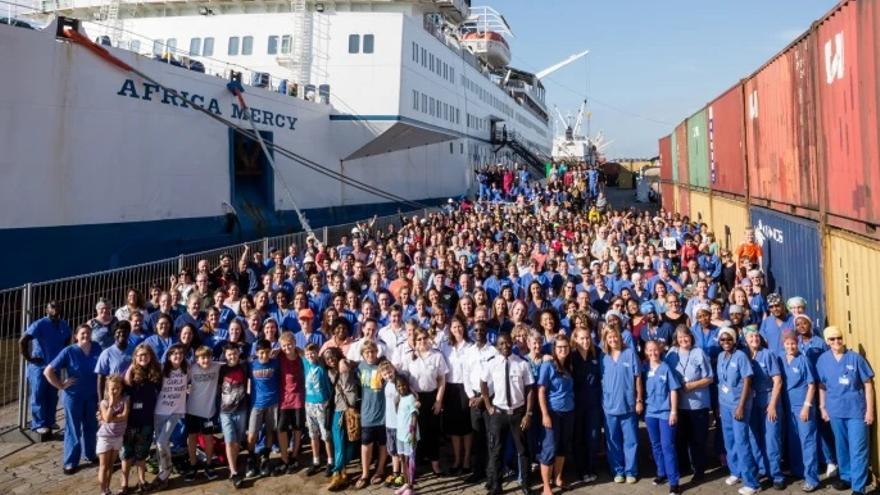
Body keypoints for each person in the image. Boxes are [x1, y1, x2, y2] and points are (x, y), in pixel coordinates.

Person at [816, 326, 875, 495]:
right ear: (827, 341)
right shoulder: (822, 360)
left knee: (858, 448)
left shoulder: (855, 358)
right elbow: (821, 385)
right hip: (835, 411)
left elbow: (868, 384)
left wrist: (869, 410)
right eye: (832, 339)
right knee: (841, 447)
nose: (836, 341)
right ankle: (847, 477)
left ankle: (859, 487)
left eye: (839, 338)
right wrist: (822, 407)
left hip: (856, 411)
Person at [480, 332, 535, 495]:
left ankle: (525, 484)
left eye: (508, 343)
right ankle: (497, 485)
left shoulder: (522, 363)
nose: (505, 346)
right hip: (499, 413)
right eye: (501, 344)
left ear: (512, 343)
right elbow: (483, 383)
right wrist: (488, 405)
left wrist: (528, 413)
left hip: (518, 414)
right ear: (497, 347)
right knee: (496, 450)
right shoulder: (491, 363)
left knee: (523, 451)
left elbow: (530, 389)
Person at [44, 324, 100, 474]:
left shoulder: (96, 347)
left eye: (88, 333)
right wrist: (61, 385)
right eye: (82, 333)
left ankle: (90, 454)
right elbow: (48, 371)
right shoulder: (69, 351)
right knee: (73, 429)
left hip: (92, 396)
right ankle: (70, 461)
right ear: (76, 336)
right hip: (73, 397)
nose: (85, 336)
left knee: (91, 426)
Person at [664, 325, 713, 481]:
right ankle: (684, 467)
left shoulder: (699, 352)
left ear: (691, 337)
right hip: (679, 405)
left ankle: (699, 470)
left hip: (698, 405)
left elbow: (710, 378)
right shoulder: (671, 353)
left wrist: (692, 385)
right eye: (680, 338)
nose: (683, 340)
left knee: (698, 440)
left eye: (686, 337)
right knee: (681, 439)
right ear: (676, 340)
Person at [716, 327, 760, 495]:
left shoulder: (741, 356)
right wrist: (719, 405)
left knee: (742, 441)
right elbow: (721, 383)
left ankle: (752, 482)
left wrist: (741, 405)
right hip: (725, 404)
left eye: (729, 339)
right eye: (722, 340)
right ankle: (736, 471)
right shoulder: (721, 356)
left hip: (738, 405)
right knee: (729, 441)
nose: (726, 343)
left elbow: (747, 380)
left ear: (734, 340)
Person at [399, 328, 448, 475]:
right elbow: (404, 379)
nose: (422, 342)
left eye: (424, 338)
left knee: (432, 432)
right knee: (415, 432)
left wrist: (439, 401)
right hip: (414, 399)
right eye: (418, 339)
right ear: (414, 342)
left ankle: (435, 463)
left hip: (432, 397)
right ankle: (416, 464)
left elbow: (441, 380)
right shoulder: (409, 357)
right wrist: (412, 395)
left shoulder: (437, 356)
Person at [743, 325, 784, 489]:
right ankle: (762, 468)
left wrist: (773, 404)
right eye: (750, 337)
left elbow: (778, 381)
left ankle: (776, 474)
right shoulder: (743, 356)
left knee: (771, 438)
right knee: (754, 438)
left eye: (756, 337)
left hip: (768, 399)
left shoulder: (767, 355)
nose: (754, 339)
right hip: (751, 403)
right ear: (745, 340)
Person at [20, 301, 71, 434]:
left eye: (58, 307)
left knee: (52, 394)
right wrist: (29, 358)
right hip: (39, 366)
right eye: (52, 307)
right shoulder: (40, 324)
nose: (56, 310)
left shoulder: (63, 324)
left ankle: (50, 421)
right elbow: (23, 340)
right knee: (38, 394)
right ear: (46, 309)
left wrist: (63, 357)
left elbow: (67, 338)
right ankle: (39, 423)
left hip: (55, 365)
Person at [600, 326, 642, 484]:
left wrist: (638, 400)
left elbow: (638, 377)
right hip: (609, 406)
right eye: (609, 337)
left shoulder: (630, 353)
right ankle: (618, 470)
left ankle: (631, 470)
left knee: (631, 440)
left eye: (615, 336)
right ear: (606, 340)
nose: (613, 340)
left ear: (620, 337)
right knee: (613, 440)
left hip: (628, 404)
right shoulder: (603, 357)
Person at [780, 330, 819, 492]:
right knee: (794, 439)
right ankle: (797, 470)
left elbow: (812, 385)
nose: (791, 346)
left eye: (793, 343)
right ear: (784, 344)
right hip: (788, 406)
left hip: (802, 406)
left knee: (807, 440)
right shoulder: (780, 360)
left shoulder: (803, 360)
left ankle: (812, 478)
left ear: (798, 344)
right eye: (788, 343)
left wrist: (806, 406)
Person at [536, 334, 575, 495]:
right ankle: (546, 486)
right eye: (559, 347)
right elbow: (541, 390)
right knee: (549, 448)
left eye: (565, 346)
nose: (563, 349)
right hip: (553, 412)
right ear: (554, 349)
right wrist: (545, 414)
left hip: (569, 412)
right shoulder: (548, 365)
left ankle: (558, 478)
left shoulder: (569, 365)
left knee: (563, 447)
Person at [121, 344, 161, 492]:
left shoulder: (155, 372)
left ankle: (142, 480)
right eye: (140, 355)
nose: (143, 358)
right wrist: (132, 367)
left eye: (146, 355)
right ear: (135, 358)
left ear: (150, 356)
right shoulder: (130, 372)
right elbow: (124, 384)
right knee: (126, 454)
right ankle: (124, 483)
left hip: (146, 419)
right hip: (130, 421)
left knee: (142, 454)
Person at [643, 339, 681, 495]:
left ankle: (674, 482)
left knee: (667, 446)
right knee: (655, 445)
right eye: (650, 350)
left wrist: (673, 411)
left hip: (665, 413)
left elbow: (673, 390)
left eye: (655, 350)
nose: (653, 353)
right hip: (650, 412)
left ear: (660, 350)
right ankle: (661, 473)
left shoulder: (666, 368)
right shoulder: (644, 369)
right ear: (646, 352)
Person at [153, 343, 189, 489]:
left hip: (175, 412)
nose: (178, 356)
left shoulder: (187, 369)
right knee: (160, 444)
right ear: (168, 356)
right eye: (174, 353)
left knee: (162, 442)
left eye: (180, 353)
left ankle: (166, 471)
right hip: (159, 411)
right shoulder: (162, 370)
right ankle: (163, 470)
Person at [440, 316, 473, 475]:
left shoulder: (470, 346)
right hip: (450, 389)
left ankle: (466, 459)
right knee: (454, 428)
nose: (457, 330)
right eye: (454, 327)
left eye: (459, 326)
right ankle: (457, 459)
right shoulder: (446, 346)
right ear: (450, 330)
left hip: (466, 389)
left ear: (464, 327)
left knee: (466, 427)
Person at [184, 346, 222, 481]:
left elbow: (231, 361)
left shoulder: (217, 366)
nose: (205, 360)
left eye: (208, 357)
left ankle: (209, 465)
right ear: (197, 359)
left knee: (208, 439)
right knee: (192, 438)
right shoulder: (192, 369)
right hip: (192, 410)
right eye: (202, 358)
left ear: (212, 357)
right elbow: (181, 381)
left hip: (208, 412)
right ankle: (193, 465)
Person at [354, 341, 388, 488]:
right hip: (367, 412)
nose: (370, 355)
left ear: (376, 352)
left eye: (372, 352)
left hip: (383, 412)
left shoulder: (383, 366)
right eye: (367, 352)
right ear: (363, 354)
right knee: (366, 444)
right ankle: (365, 473)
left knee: (383, 443)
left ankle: (380, 470)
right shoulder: (360, 367)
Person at [570, 327, 602, 484]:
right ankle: (580, 470)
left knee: (593, 437)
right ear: (575, 339)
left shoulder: (597, 354)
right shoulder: (571, 357)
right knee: (579, 437)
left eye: (587, 337)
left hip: (594, 404)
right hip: (577, 404)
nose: (585, 341)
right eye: (581, 338)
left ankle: (591, 467)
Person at [246, 338, 281, 479]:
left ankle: (265, 458)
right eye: (261, 353)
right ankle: (250, 458)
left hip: (273, 403)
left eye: (267, 352)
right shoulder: (251, 365)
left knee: (269, 431)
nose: (264, 356)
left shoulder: (275, 363)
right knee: (252, 433)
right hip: (257, 404)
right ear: (256, 352)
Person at [326, 347, 358, 491]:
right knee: (338, 442)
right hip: (338, 410)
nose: (331, 360)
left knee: (351, 441)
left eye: (333, 356)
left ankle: (343, 471)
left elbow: (354, 364)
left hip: (351, 410)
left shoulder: (346, 364)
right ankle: (337, 472)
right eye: (328, 358)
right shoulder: (330, 372)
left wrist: (345, 361)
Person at [218, 343, 249, 488]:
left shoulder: (243, 366)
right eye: (229, 354)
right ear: (225, 355)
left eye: (235, 353)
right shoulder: (222, 369)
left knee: (237, 440)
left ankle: (234, 463)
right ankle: (234, 472)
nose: (232, 357)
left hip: (241, 409)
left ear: (239, 353)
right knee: (230, 440)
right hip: (225, 411)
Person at [303, 342, 334, 477]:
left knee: (325, 435)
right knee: (313, 434)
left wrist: (328, 404)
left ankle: (330, 461)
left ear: (317, 354)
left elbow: (328, 387)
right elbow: (297, 351)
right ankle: (316, 461)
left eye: (313, 352)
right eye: (308, 353)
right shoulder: (305, 364)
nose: (310, 355)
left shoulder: (322, 369)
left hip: (322, 404)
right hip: (309, 403)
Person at [277, 331, 306, 473]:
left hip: (298, 398)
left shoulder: (301, 357)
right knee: (282, 428)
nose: (287, 348)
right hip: (283, 399)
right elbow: (270, 354)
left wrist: (302, 352)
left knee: (297, 427)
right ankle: (284, 457)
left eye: (290, 345)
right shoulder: (279, 356)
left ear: (295, 344)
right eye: (284, 345)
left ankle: (294, 455)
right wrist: (277, 350)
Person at [96, 374, 129, 495]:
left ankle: (108, 488)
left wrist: (112, 417)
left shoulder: (125, 400)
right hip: (105, 437)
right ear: (107, 389)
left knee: (111, 465)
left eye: (118, 388)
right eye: (112, 389)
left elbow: (125, 416)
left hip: (118, 436)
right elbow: (107, 418)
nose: (115, 391)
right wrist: (111, 404)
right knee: (103, 466)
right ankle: (102, 490)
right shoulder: (104, 403)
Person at [379, 360, 404, 488]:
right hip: (390, 423)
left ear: (393, 370)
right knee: (393, 451)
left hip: (400, 425)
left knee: (401, 452)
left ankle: (404, 476)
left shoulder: (399, 384)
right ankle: (395, 473)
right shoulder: (386, 385)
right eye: (385, 374)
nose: (388, 375)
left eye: (389, 372)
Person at [95, 321, 134, 401]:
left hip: (131, 392)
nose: (121, 334)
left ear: (129, 333)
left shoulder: (134, 350)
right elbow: (100, 378)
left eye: (124, 332)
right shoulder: (107, 353)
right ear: (114, 334)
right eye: (118, 332)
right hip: (113, 393)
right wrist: (100, 400)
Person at [395, 374, 420, 495]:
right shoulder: (399, 398)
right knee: (403, 460)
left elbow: (414, 415)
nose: (401, 388)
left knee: (411, 461)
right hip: (400, 435)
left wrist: (412, 432)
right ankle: (406, 483)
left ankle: (411, 487)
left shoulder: (410, 398)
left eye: (403, 385)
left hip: (409, 436)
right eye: (398, 386)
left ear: (408, 386)